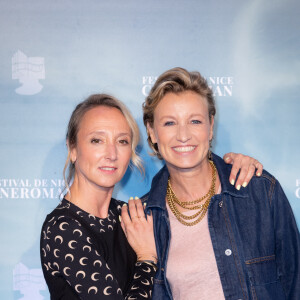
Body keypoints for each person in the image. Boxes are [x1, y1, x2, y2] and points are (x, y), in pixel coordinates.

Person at [40, 93, 262, 299]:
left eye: (122, 141)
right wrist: (146, 257)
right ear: (73, 148)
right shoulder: (62, 228)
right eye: (97, 140)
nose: (111, 154)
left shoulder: (129, 214)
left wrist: (231, 167)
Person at [142, 67, 300, 300]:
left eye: (195, 121)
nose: (183, 135)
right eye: (169, 123)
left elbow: (296, 284)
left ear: (211, 126)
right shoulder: (143, 219)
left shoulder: (260, 191)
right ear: (152, 132)